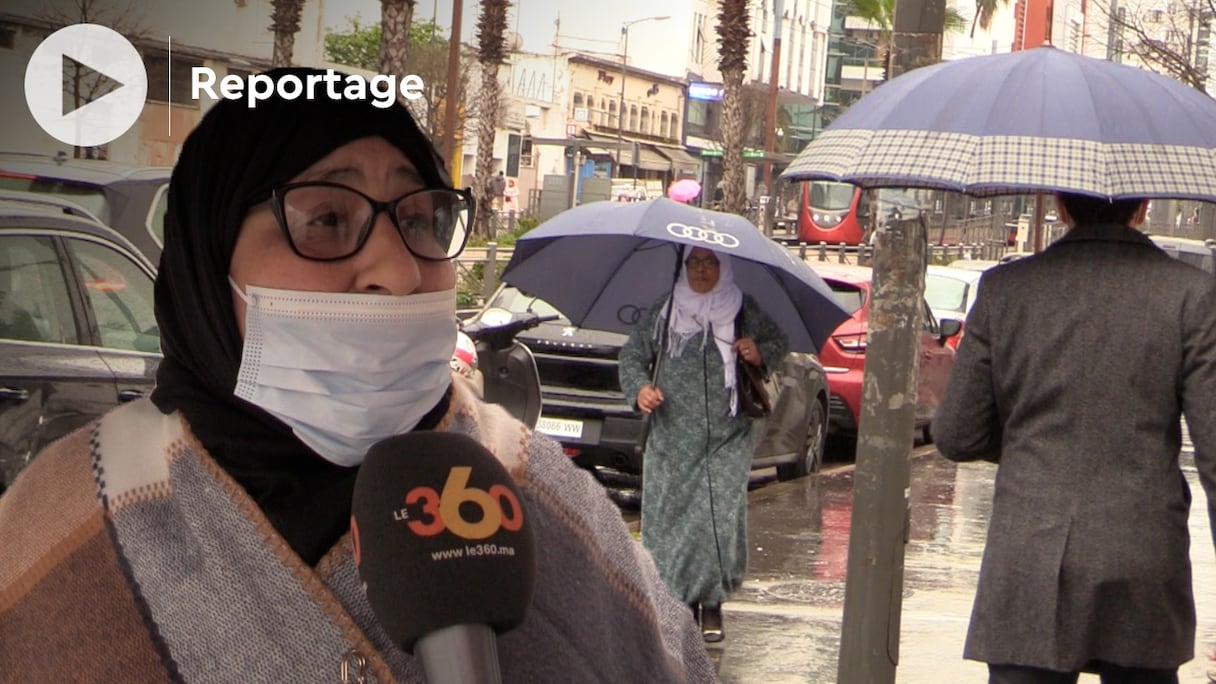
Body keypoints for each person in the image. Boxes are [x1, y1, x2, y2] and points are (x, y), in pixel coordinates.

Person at [0, 67, 717, 682]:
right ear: (208, 265)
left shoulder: (539, 498)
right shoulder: (57, 521)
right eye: (325, 219)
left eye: (421, 219)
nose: (398, 272)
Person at [933, 191, 1216, 684]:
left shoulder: (1005, 290)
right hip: (1143, 554)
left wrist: (1026, 442)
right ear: (1143, 208)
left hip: (1028, 552)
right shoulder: (1191, 295)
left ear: (1061, 209)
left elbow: (958, 434)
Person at [618, 246, 789, 643]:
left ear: (723, 266)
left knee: (716, 517)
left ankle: (711, 604)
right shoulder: (665, 311)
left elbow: (779, 345)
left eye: (709, 262)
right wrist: (641, 390)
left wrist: (758, 352)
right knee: (671, 521)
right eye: (693, 262)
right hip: (672, 439)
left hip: (727, 438)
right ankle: (674, 603)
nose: (700, 270)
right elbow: (631, 358)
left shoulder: (743, 308)